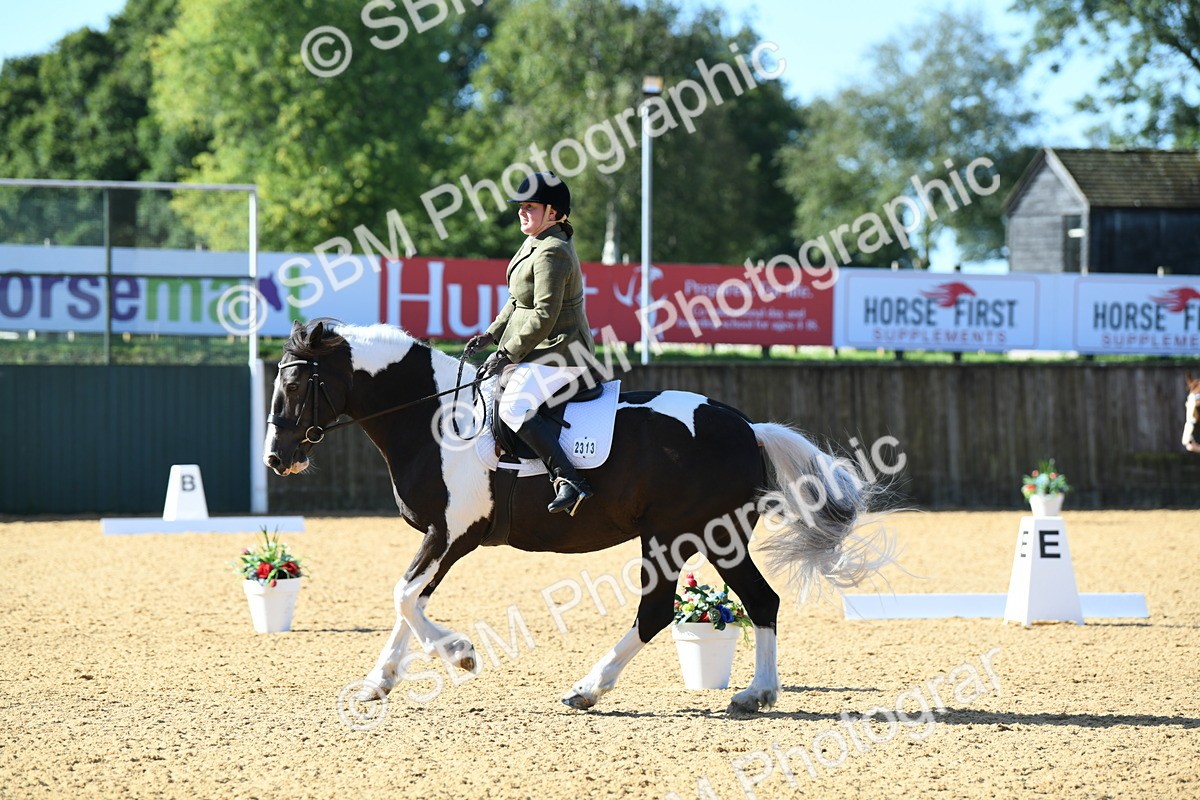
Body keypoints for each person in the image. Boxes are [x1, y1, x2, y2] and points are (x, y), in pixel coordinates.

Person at [465, 172, 597, 515]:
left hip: (564, 351)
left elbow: (543, 315)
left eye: (529, 207)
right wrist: (492, 334)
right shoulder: (535, 241)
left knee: (513, 407)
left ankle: (569, 479)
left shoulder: (553, 252)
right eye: (521, 207)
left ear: (552, 212)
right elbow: (516, 301)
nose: (521, 213)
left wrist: (507, 353)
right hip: (541, 347)